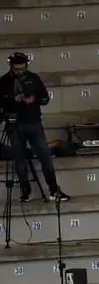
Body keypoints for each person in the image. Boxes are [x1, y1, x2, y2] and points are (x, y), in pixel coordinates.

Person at [1, 52, 67, 203]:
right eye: (16, 69)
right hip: (14, 125)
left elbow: (45, 98)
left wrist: (34, 99)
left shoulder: (34, 78)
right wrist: (12, 99)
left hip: (33, 122)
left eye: (22, 69)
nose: (20, 72)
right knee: (19, 159)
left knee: (45, 156)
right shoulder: (4, 81)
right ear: (11, 67)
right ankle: (25, 191)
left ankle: (54, 189)